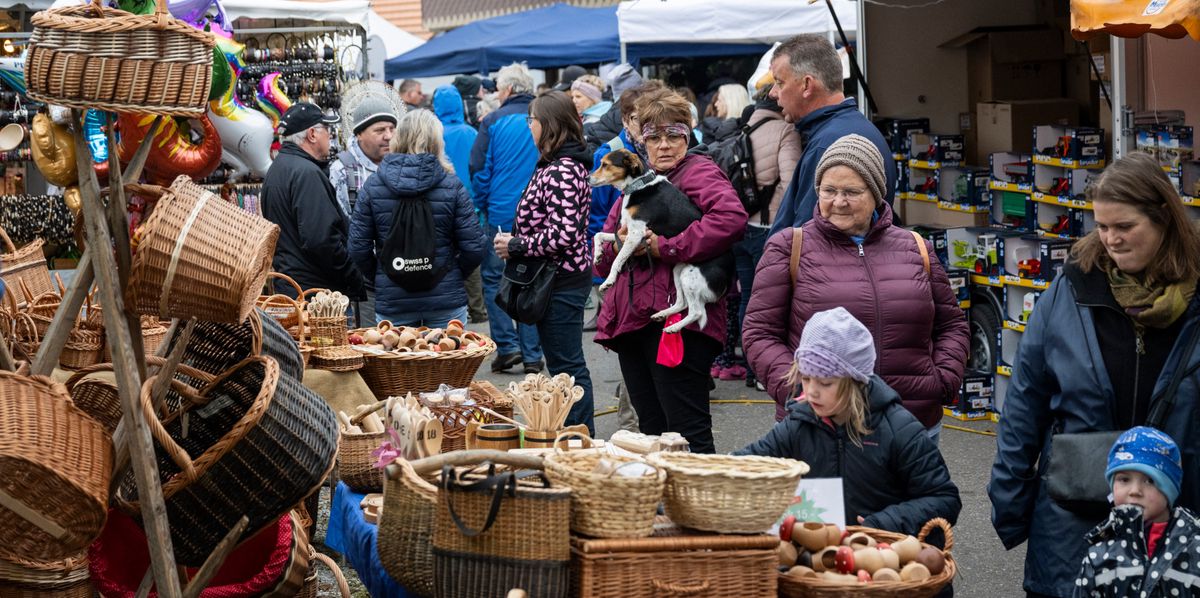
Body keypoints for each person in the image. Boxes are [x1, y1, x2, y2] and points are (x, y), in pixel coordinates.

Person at [988, 152, 1200, 598]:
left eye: (1124, 227)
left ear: (1163, 218)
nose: (1111, 240)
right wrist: (1010, 503)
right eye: (1102, 227)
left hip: (1179, 529)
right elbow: (1024, 403)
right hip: (1071, 528)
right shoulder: (1070, 291)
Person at [743, 134, 969, 440]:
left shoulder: (916, 248)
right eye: (829, 190)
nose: (838, 202)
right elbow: (759, 334)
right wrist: (802, 391)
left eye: (851, 191)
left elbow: (952, 325)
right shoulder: (789, 247)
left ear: (876, 194)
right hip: (819, 427)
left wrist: (941, 381)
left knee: (919, 491)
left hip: (912, 425)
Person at [594, 87, 747, 454]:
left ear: (688, 134)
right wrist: (615, 245)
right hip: (634, 321)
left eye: (674, 135)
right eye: (654, 136)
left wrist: (666, 247)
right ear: (640, 140)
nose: (664, 145)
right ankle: (662, 509)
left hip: (677, 326)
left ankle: (699, 509)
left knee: (686, 433)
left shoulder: (699, 173)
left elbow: (730, 219)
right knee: (650, 432)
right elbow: (602, 258)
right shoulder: (635, 184)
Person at [735, 307, 961, 539]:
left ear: (855, 381)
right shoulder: (799, 422)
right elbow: (750, 461)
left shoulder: (898, 429)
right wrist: (707, 470)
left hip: (882, 557)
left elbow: (943, 498)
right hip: (819, 557)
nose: (811, 392)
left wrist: (886, 522)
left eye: (825, 383)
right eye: (806, 378)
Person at [492, 91, 595, 433]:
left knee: (567, 367)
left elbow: (563, 234)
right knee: (562, 363)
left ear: (547, 124)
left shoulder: (564, 169)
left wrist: (517, 245)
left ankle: (581, 439)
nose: (529, 127)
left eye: (531, 120)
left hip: (561, 280)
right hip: (554, 276)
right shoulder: (558, 164)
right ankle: (574, 436)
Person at [348, 109, 484, 328]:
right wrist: (450, 271)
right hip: (445, 299)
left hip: (394, 300)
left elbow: (357, 248)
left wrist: (386, 273)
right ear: (437, 142)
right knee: (447, 359)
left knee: (398, 360)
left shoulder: (373, 187)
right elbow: (474, 247)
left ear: (398, 138)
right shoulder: (452, 186)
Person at [766, 34, 896, 236]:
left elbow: (807, 239)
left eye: (779, 82)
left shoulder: (829, 144)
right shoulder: (853, 128)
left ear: (807, 85)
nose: (772, 93)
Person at [469, 62, 544, 374]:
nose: (496, 93)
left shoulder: (494, 120)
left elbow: (479, 169)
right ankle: (531, 353)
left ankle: (508, 346)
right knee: (531, 280)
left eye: (499, 88)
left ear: (509, 89)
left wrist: (484, 205)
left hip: (502, 212)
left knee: (494, 279)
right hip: (538, 212)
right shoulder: (543, 116)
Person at [1073, 427, 1200, 597]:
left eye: (1149, 480)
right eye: (1124, 479)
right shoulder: (1099, 554)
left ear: (1169, 489)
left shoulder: (1195, 549)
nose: (1135, 490)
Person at [734, 78, 801, 388]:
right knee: (773, 303)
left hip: (740, 229)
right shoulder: (785, 131)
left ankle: (751, 368)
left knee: (749, 299)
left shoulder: (742, 128)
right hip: (767, 228)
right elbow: (790, 184)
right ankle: (764, 373)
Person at [262, 103, 366, 301]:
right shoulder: (306, 173)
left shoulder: (279, 168)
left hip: (295, 288)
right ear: (312, 134)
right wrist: (353, 275)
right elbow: (321, 240)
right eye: (327, 130)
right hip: (317, 296)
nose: (331, 136)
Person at [329, 93, 401, 326]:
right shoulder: (343, 170)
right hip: (366, 278)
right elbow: (342, 224)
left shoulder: (402, 162)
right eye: (379, 130)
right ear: (359, 133)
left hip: (404, 273)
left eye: (391, 128)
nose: (388, 136)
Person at [434, 85, 487, 323]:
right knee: (470, 252)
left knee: (444, 253)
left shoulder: (434, 133)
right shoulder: (471, 132)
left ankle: (453, 308)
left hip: (440, 202)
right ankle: (477, 307)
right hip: (470, 202)